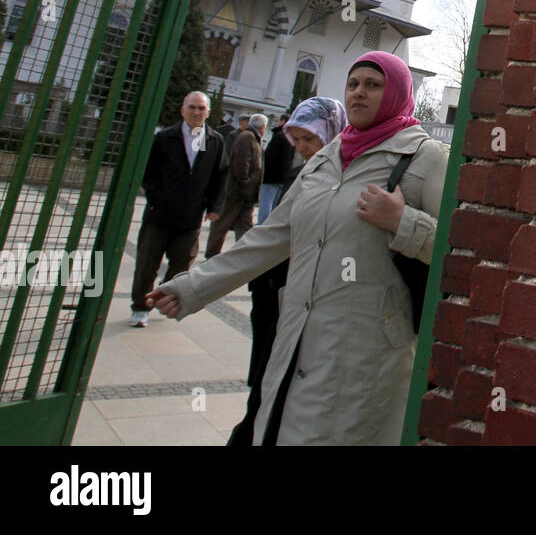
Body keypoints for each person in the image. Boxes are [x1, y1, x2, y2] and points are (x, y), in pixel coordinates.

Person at [149, 52, 449, 445]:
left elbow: (456, 252)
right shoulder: (327, 157)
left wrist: (402, 223)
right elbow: (269, 237)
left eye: (373, 85)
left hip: (366, 350)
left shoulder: (424, 158)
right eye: (353, 84)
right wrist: (192, 287)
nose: (359, 93)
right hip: (298, 338)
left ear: (396, 93)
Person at [229, 97, 346, 446]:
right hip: (277, 301)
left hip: (310, 308)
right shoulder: (303, 176)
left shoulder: (336, 182)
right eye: (296, 140)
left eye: (309, 139)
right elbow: (273, 238)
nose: (301, 148)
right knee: (265, 395)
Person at [130, 91, 227, 328]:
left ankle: (162, 299)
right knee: (146, 263)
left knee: (182, 264)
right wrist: (156, 197)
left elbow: (220, 175)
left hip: (190, 217)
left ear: (208, 113)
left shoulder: (214, 140)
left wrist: (214, 206)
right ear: (182, 110)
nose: (196, 113)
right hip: (159, 215)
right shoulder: (165, 138)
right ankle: (140, 307)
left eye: (201, 109)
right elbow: (148, 172)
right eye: (192, 107)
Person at [206, 113, 266, 257]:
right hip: (237, 192)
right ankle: (212, 254)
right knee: (222, 223)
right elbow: (241, 163)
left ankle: (244, 255)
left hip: (246, 194)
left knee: (244, 225)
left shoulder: (252, 138)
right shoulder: (247, 138)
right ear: (263, 127)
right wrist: (245, 182)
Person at [258, 113, 293, 225]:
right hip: (283, 177)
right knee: (274, 205)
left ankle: (262, 226)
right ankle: (269, 226)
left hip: (271, 176)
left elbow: (269, 157)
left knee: (266, 203)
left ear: (282, 121)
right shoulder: (291, 137)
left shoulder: (279, 136)